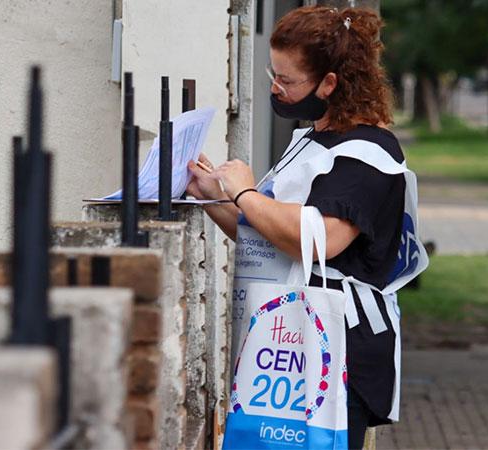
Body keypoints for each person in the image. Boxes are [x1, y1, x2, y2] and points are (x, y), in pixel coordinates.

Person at [186, 6, 427, 449]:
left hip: (338, 348)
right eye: (272, 74)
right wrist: (211, 196)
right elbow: (272, 237)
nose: (275, 88)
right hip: (289, 343)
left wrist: (245, 193)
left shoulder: (369, 152)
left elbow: (322, 239)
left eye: (287, 80)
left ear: (329, 83)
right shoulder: (313, 139)